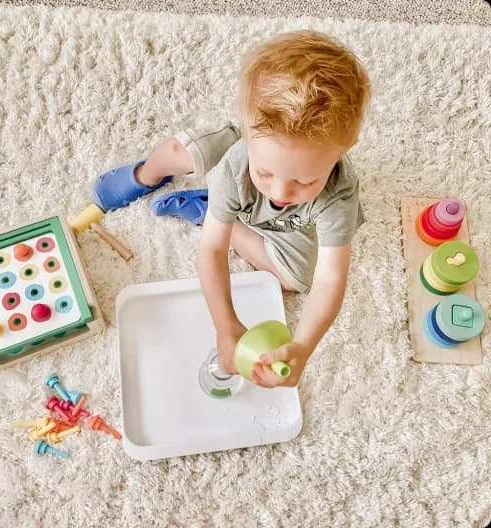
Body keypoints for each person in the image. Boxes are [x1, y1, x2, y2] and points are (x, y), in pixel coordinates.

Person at [93, 30, 371, 388]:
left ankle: (209, 209)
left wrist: (303, 345)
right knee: (181, 154)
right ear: (248, 128)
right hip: (230, 161)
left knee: (298, 280)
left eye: (305, 181)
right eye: (267, 173)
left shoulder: (339, 193)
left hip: (277, 223)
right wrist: (225, 324)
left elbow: (330, 278)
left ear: (344, 149)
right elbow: (211, 250)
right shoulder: (235, 167)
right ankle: (146, 173)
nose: (281, 191)